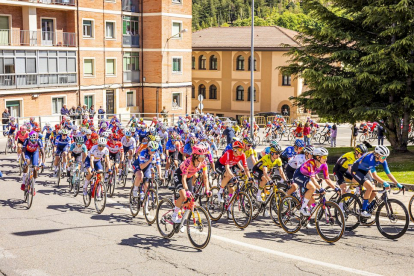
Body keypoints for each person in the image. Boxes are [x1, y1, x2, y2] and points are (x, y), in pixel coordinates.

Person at [351, 145, 402, 218]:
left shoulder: (383, 160)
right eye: (384, 157)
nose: (385, 159)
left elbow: (388, 173)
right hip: (356, 170)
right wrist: (384, 182)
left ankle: (364, 206)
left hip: (365, 171)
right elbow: (374, 175)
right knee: (369, 188)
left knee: (374, 191)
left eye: (386, 157)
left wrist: (397, 184)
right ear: (377, 155)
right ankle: (363, 211)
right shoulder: (371, 159)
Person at [171, 144, 211, 223]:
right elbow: (183, 178)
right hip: (179, 176)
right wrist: (186, 190)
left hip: (189, 177)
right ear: (196, 155)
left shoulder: (204, 162)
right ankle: (174, 215)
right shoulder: (188, 162)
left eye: (205, 155)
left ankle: (181, 217)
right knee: (183, 195)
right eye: (202, 155)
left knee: (189, 199)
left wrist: (207, 190)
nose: (204, 157)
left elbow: (205, 177)